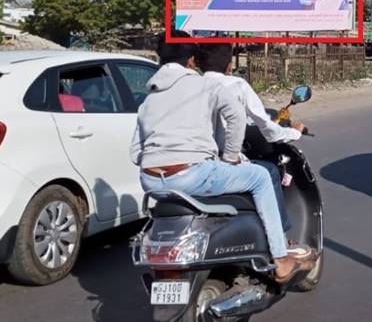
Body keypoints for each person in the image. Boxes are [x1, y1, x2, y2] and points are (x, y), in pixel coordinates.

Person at [130, 31, 312, 282]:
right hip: (191, 175)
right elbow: (237, 117)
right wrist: (229, 158)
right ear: (192, 61)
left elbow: (135, 152)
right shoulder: (207, 85)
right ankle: (281, 259)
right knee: (260, 176)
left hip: (151, 182)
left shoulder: (150, 99)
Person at [195, 43, 312, 257]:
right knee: (269, 172)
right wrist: (295, 133)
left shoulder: (190, 86)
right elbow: (268, 130)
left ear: (196, 64)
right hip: (219, 165)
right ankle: (281, 243)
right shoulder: (236, 85)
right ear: (230, 66)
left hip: (190, 167)